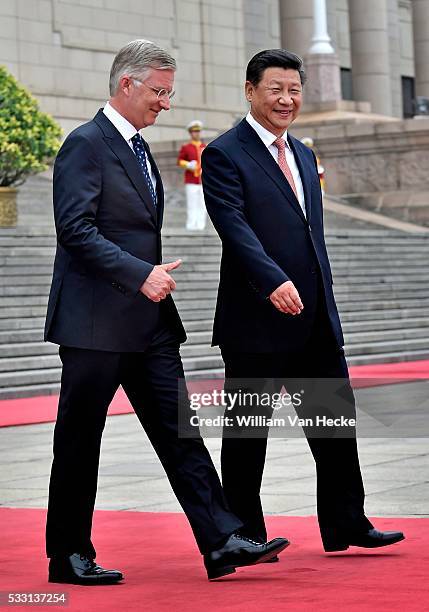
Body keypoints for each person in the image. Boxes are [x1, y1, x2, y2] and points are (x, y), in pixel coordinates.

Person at [44, 40, 289, 586]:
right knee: (80, 441)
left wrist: (147, 274)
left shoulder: (139, 147)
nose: (166, 104)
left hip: (148, 324)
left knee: (181, 436)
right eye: (158, 92)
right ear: (126, 84)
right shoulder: (85, 144)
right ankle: (68, 555)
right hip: (95, 325)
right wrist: (139, 271)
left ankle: (221, 539)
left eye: (169, 93)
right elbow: (75, 230)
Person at [201, 48, 404, 554]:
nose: (286, 99)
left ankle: (346, 524)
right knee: (248, 436)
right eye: (275, 89)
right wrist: (272, 280)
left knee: (334, 426)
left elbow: (312, 237)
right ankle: (246, 533)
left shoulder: (306, 154)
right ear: (251, 91)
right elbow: (234, 227)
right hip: (256, 320)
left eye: (294, 90)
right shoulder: (224, 153)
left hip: (313, 318)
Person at [177, 120, 207, 230]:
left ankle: (200, 225)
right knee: (192, 204)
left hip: (202, 180)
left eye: (198, 131)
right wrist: (188, 165)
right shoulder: (186, 147)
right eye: (194, 131)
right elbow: (180, 161)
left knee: (202, 204)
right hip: (191, 180)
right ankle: (191, 225)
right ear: (190, 133)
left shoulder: (205, 147)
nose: (197, 133)